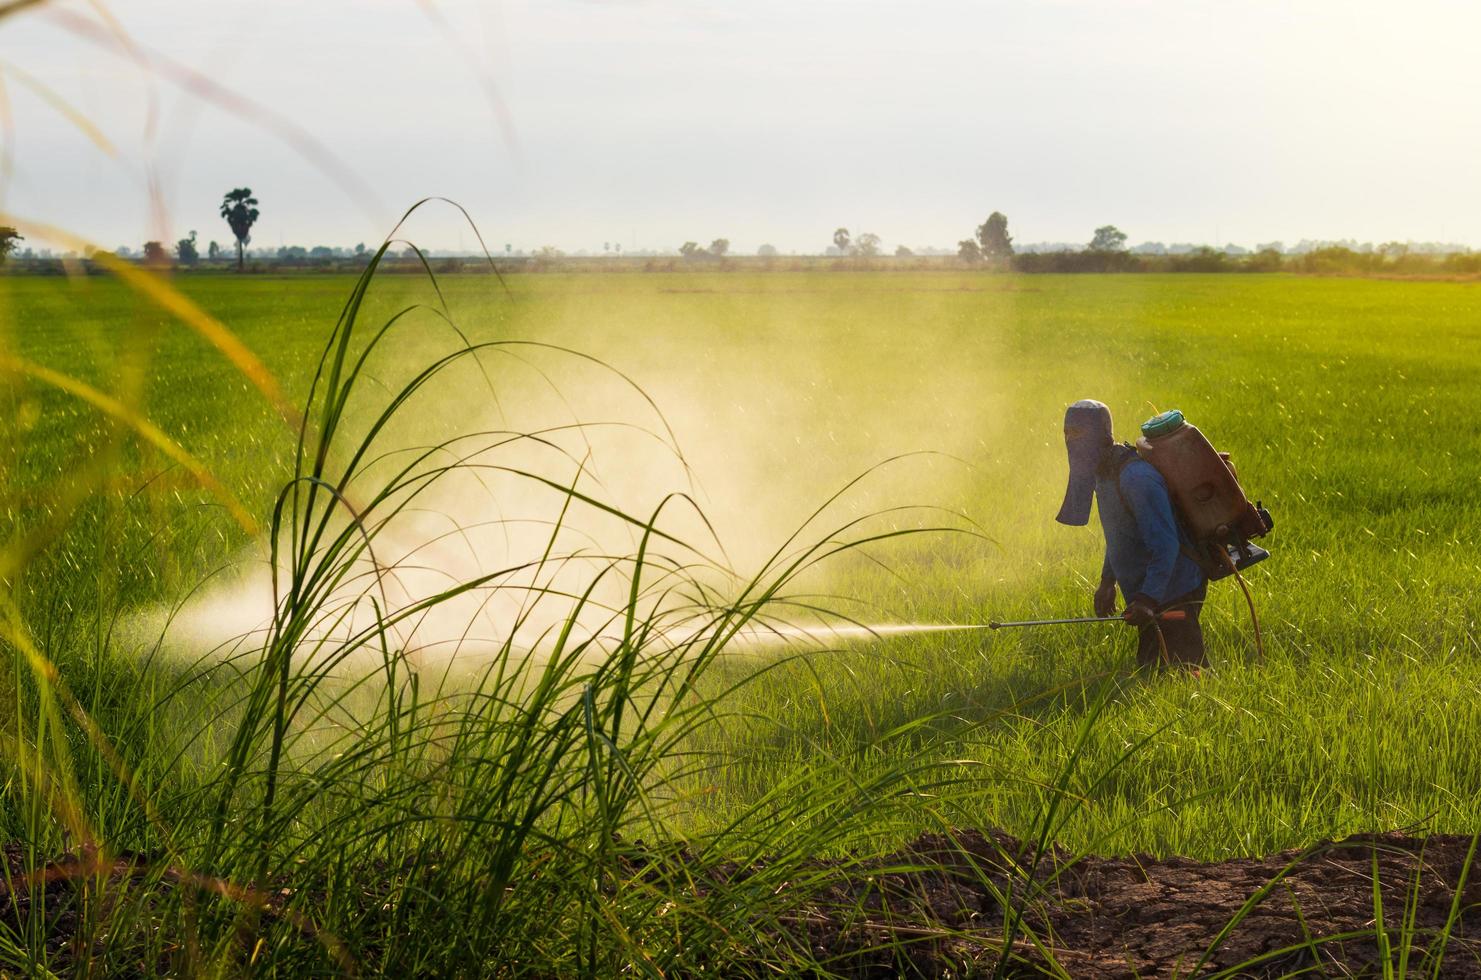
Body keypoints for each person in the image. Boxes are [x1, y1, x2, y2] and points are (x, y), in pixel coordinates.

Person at [1055, 399, 1208, 669]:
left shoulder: (1135, 479)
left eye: (1078, 433)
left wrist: (1147, 598)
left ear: (1102, 434)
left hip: (1176, 587)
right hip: (1149, 591)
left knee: (1188, 672)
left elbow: (1166, 545)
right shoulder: (1103, 476)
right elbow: (1119, 536)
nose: (1070, 440)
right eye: (1067, 432)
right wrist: (1107, 582)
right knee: (1153, 670)